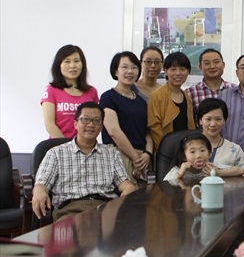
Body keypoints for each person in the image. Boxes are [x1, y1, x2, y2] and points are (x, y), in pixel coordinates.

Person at [32, 102, 136, 221]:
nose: (91, 124)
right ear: (76, 124)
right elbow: (41, 184)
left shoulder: (111, 153)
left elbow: (124, 183)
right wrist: (40, 190)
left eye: (96, 121)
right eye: (85, 119)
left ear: (102, 126)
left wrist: (129, 187)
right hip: (70, 211)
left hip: (105, 211)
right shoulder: (56, 153)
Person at [100, 52, 152, 189]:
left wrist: (148, 154)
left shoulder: (141, 101)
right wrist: (135, 158)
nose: (130, 71)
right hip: (120, 154)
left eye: (134, 67)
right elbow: (114, 131)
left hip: (142, 158)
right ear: (115, 71)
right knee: (128, 195)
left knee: (146, 196)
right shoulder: (108, 97)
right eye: (125, 67)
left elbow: (147, 132)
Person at [41, 44, 99, 138]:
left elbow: (95, 123)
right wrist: (67, 146)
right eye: (67, 61)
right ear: (59, 65)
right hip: (59, 145)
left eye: (76, 61)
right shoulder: (51, 90)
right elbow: (49, 126)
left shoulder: (92, 92)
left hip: (85, 146)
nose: (72, 66)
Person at [147, 52, 195, 150]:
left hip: (185, 150)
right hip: (166, 151)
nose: (178, 73)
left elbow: (190, 126)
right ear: (165, 71)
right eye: (173, 69)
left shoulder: (187, 97)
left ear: (188, 72)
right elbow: (154, 126)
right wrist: (166, 149)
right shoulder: (157, 95)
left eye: (182, 69)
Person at [185, 49, 237, 127]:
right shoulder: (190, 93)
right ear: (200, 67)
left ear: (223, 65)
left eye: (216, 62)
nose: (212, 66)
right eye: (207, 63)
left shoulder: (235, 90)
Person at [197, 98, 244, 176]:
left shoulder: (235, 150)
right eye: (208, 119)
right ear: (200, 120)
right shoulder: (188, 148)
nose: (213, 124)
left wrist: (220, 173)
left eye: (218, 119)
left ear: (224, 120)